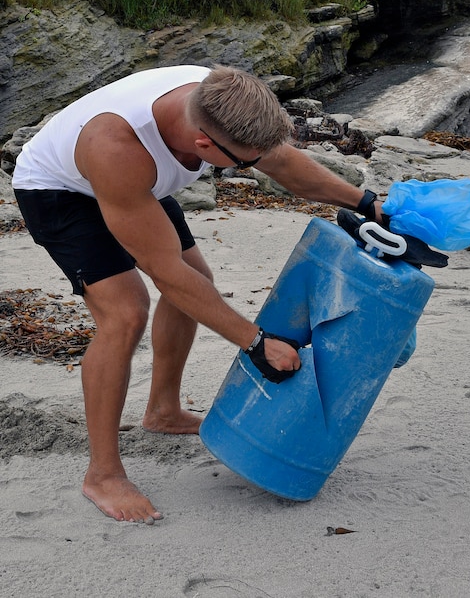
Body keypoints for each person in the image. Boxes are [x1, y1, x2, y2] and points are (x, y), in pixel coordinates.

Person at [12, 64, 383, 525]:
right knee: (126, 312)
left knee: (196, 278)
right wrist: (255, 342)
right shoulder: (115, 146)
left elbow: (281, 162)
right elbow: (165, 273)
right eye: (246, 163)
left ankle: (163, 411)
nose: (255, 166)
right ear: (205, 145)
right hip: (61, 189)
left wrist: (367, 204)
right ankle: (103, 475)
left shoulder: (221, 96)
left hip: (137, 183)